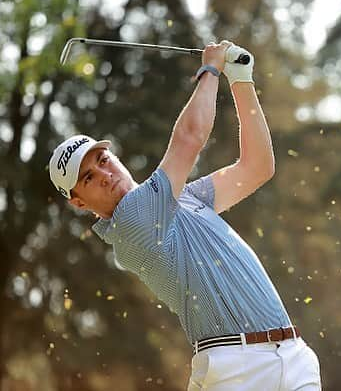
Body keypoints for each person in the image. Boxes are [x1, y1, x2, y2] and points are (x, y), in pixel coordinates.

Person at [48, 40, 322, 391]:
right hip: (237, 371)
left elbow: (257, 167)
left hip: (293, 356)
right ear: (80, 202)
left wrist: (241, 80)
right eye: (88, 178)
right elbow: (190, 139)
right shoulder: (131, 222)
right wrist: (210, 70)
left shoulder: (186, 197)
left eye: (102, 160)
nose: (104, 175)